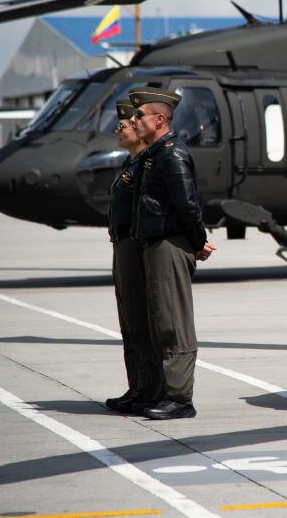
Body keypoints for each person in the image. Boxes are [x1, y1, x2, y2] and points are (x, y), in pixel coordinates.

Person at [129, 87, 216, 420]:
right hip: (156, 243)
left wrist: (197, 243)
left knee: (173, 322)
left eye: (140, 115)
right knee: (159, 321)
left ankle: (180, 399)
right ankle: (165, 391)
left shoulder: (172, 154)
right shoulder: (155, 154)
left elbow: (187, 204)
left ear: (159, 119)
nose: (134, 120)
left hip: (170, 244)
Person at [105, 101, 161, 415]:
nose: (119, 130)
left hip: (134, 247)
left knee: (141, 321)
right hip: (122, 245)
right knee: (129, 322)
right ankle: (137, 387)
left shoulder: (145, 167)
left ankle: (149, 390)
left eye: (124, 126)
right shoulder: (130, 166)